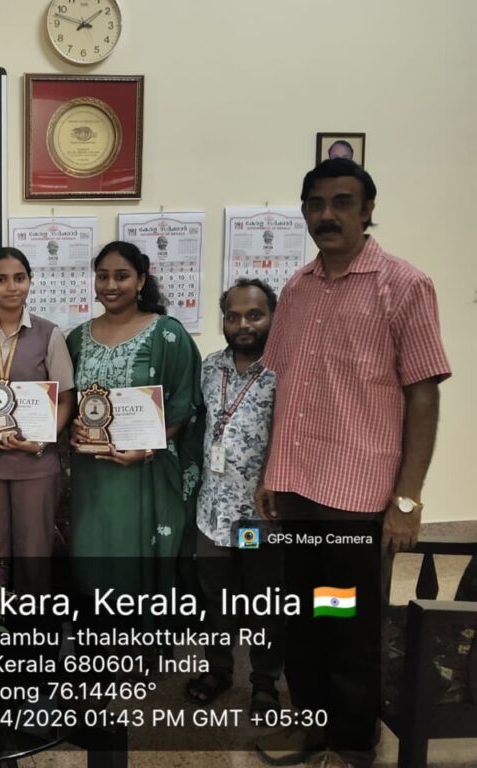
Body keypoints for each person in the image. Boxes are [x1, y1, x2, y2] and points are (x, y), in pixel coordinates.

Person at [255, 159, 451, 768]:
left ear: (367, 211)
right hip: (297, 491)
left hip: (355, 497)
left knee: (345, 622)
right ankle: (312, 725)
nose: (327, 215)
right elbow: (284, 387)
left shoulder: (404, 285)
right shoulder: (296, 288)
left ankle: (351, 743)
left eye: (342, 202)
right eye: (316, 203)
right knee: (303, 619)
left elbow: (423, 394)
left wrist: (407, 499)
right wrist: (271, 473)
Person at [68, 241, 203, 596]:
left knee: (137, 561)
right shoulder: (76, 338)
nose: (110, 285)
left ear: (141, 280)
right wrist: (73, 427)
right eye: (103, 276)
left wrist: (146, 449)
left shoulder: (167, 334)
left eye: (122, 276)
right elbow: (69, 403)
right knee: (92, 558)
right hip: (92, 476)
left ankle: (143, 631)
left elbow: (185, 401)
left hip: (145, 473)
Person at [187, 278, 284, 715]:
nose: (243, 324)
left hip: (260, 517)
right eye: (233, 316)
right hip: (213, 511)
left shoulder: (286, 371)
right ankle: (218, 669)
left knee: (264, 600)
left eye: (254, 315)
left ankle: (265, 682)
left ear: (273, 317)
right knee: (216, 599)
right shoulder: (210, 367)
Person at [0, 247, 74, 562]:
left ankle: (31, 599)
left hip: (35, 462)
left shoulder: (49, 334)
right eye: (1, 279)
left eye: (19, 278)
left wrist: (42, 441)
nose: (11, 287)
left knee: (34, 552)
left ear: (30, 281)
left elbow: (66, 399)